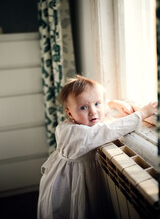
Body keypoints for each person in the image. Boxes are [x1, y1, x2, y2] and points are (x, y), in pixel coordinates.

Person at [37, 75, 157, 219]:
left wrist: (111, 104)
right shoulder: (75, 133)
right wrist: (143, 113)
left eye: (97, 103)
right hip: (70, 183)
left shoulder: (80, 120)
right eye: (83, 107)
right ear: (69, 113)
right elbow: (110, 130)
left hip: (82, 174)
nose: (93, 111)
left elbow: (94, 113)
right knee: (72, 210)